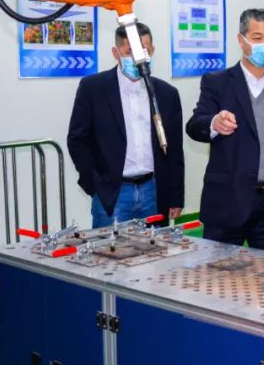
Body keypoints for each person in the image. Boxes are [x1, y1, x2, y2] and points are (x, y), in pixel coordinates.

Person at [186, 9, 264, 252]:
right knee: (219, 271)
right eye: (257, 37)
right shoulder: (217, 82)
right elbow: (194, 125)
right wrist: (214, 123)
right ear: (241, 40)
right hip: (227, 201)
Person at [68, 23, 184, 228]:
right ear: (116, 52)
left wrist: (175, 196)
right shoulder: (93, 88)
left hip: (153, 191)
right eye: (130, 51)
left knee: (155, 247)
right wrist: (94, 184)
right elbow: (77, 139)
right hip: (113, 192)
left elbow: (174, 149)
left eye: (143, 50)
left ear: (152, 51)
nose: (138, 57)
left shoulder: (167, 93)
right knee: (109, 247)